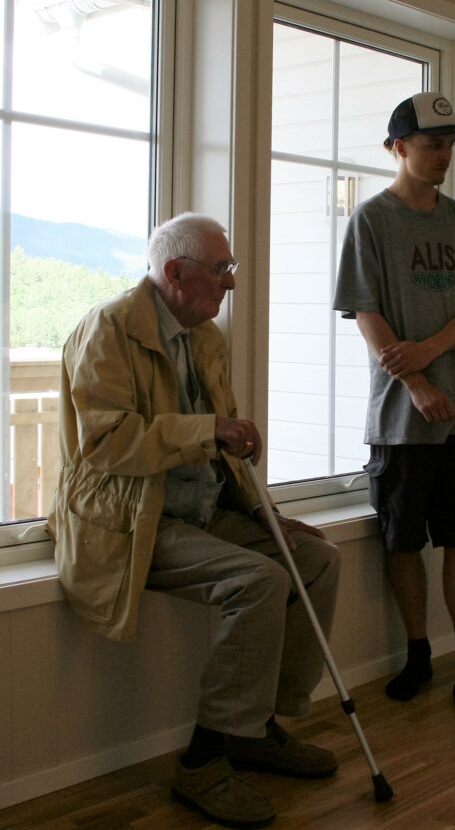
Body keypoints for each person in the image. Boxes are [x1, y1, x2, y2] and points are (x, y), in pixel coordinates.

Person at [47, 212, 342, 829]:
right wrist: (211, 430)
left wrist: (269, 515)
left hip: (201, 510)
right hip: (134, 522)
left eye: (229, 267)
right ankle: (204, 763)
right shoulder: (106, 330)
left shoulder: (206, 336)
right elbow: (106, 443)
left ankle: (255, 727)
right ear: (175, 272)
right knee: (259, 581)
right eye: (222, 269)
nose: (230, 282)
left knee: (314, 558)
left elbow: (221, 454)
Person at [333, 91, 455, 722]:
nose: (444, 155)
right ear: (398, 148)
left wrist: (429, 354)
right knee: (404, 542)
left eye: (451, 144)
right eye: (433, 144)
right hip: (400, 418)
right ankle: (417, 654)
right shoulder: (372, 221)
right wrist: (415, 383)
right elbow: (365, 311)